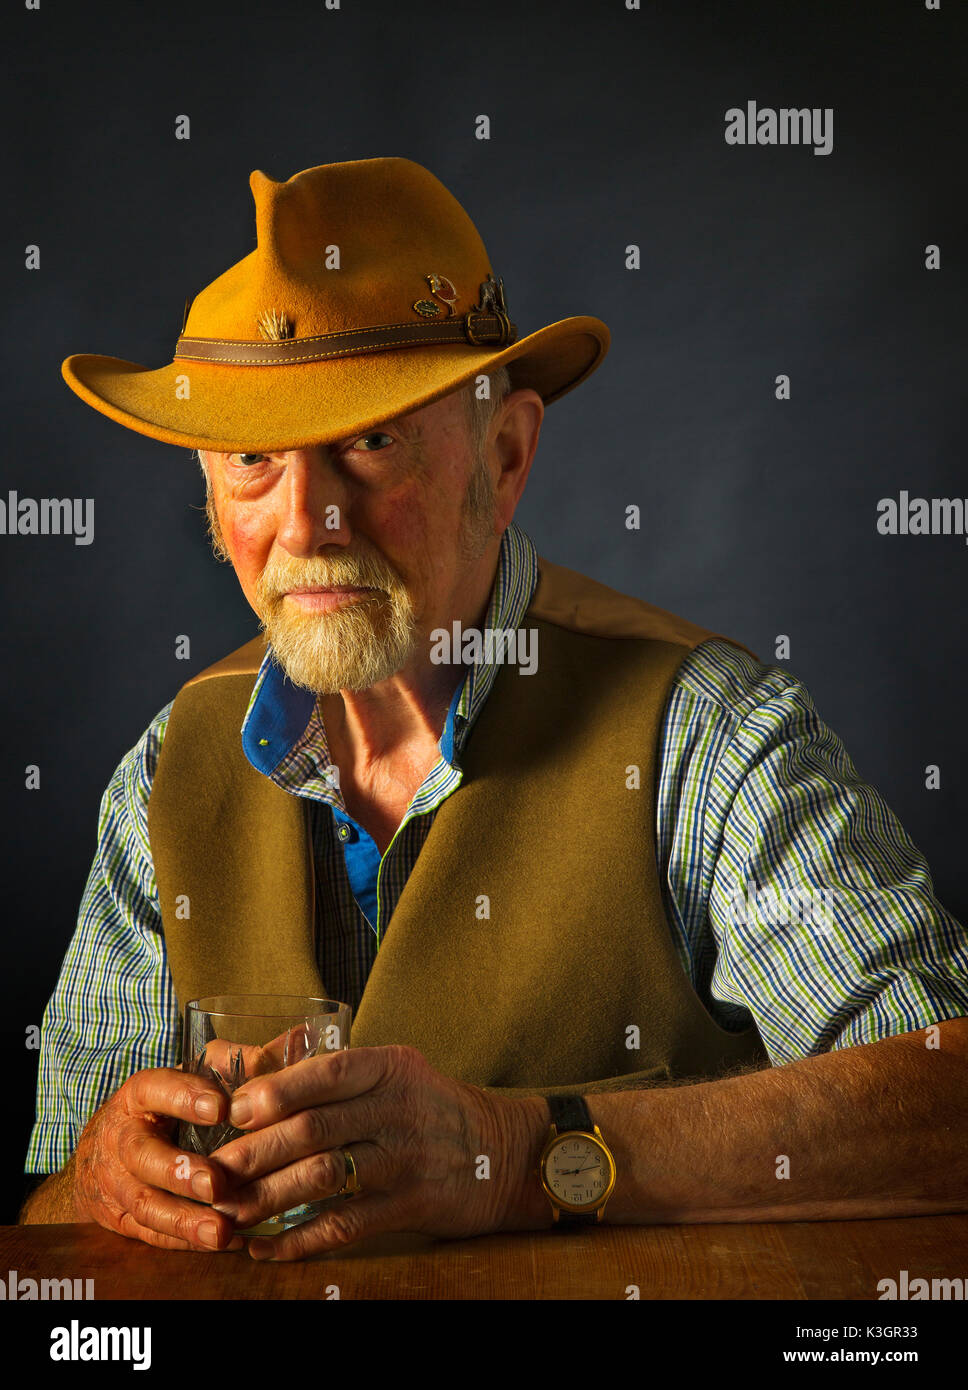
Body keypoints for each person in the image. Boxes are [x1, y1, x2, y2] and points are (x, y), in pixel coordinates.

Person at [20, 157, 968, 1261]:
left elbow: (945, 1098)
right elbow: (44, 1222)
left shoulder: (704, 734)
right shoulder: (161, 774)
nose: (308, 520)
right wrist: (98, 1187)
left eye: (369, 441)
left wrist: (525, 1154)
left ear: (503, 454)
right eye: (252, 460)